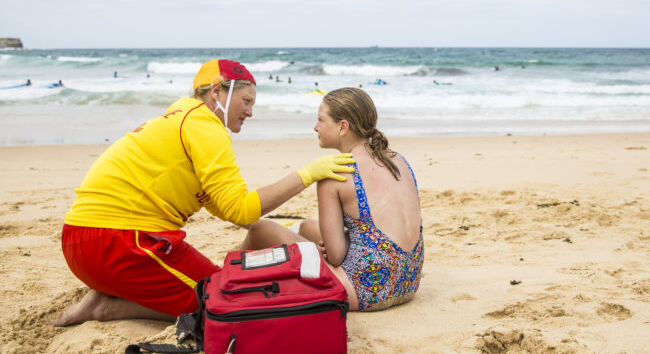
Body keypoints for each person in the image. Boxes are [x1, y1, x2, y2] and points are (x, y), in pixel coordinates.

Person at [53, 59, 354, 326]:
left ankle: (116, 291)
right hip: (118, 243)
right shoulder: (205, 127)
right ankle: (108, 307)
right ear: (217, 92)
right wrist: (307, 174)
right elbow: (242, 210)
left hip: (85, 243)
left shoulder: (184, 121)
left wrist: (293, 234)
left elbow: (234, 212)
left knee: (221, 280)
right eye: (246, 101)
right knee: (220, 300)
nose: (250, 112)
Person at [243, 87, 423, 311]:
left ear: (343, 126)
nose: (315, 127)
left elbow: (336, 256)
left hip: (367, 291)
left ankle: (229, 279)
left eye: (320, 120)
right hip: (408, 281)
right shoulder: (398, 159)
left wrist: (338, 246)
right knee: (309, 226)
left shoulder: (335, 172)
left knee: (261, 229)